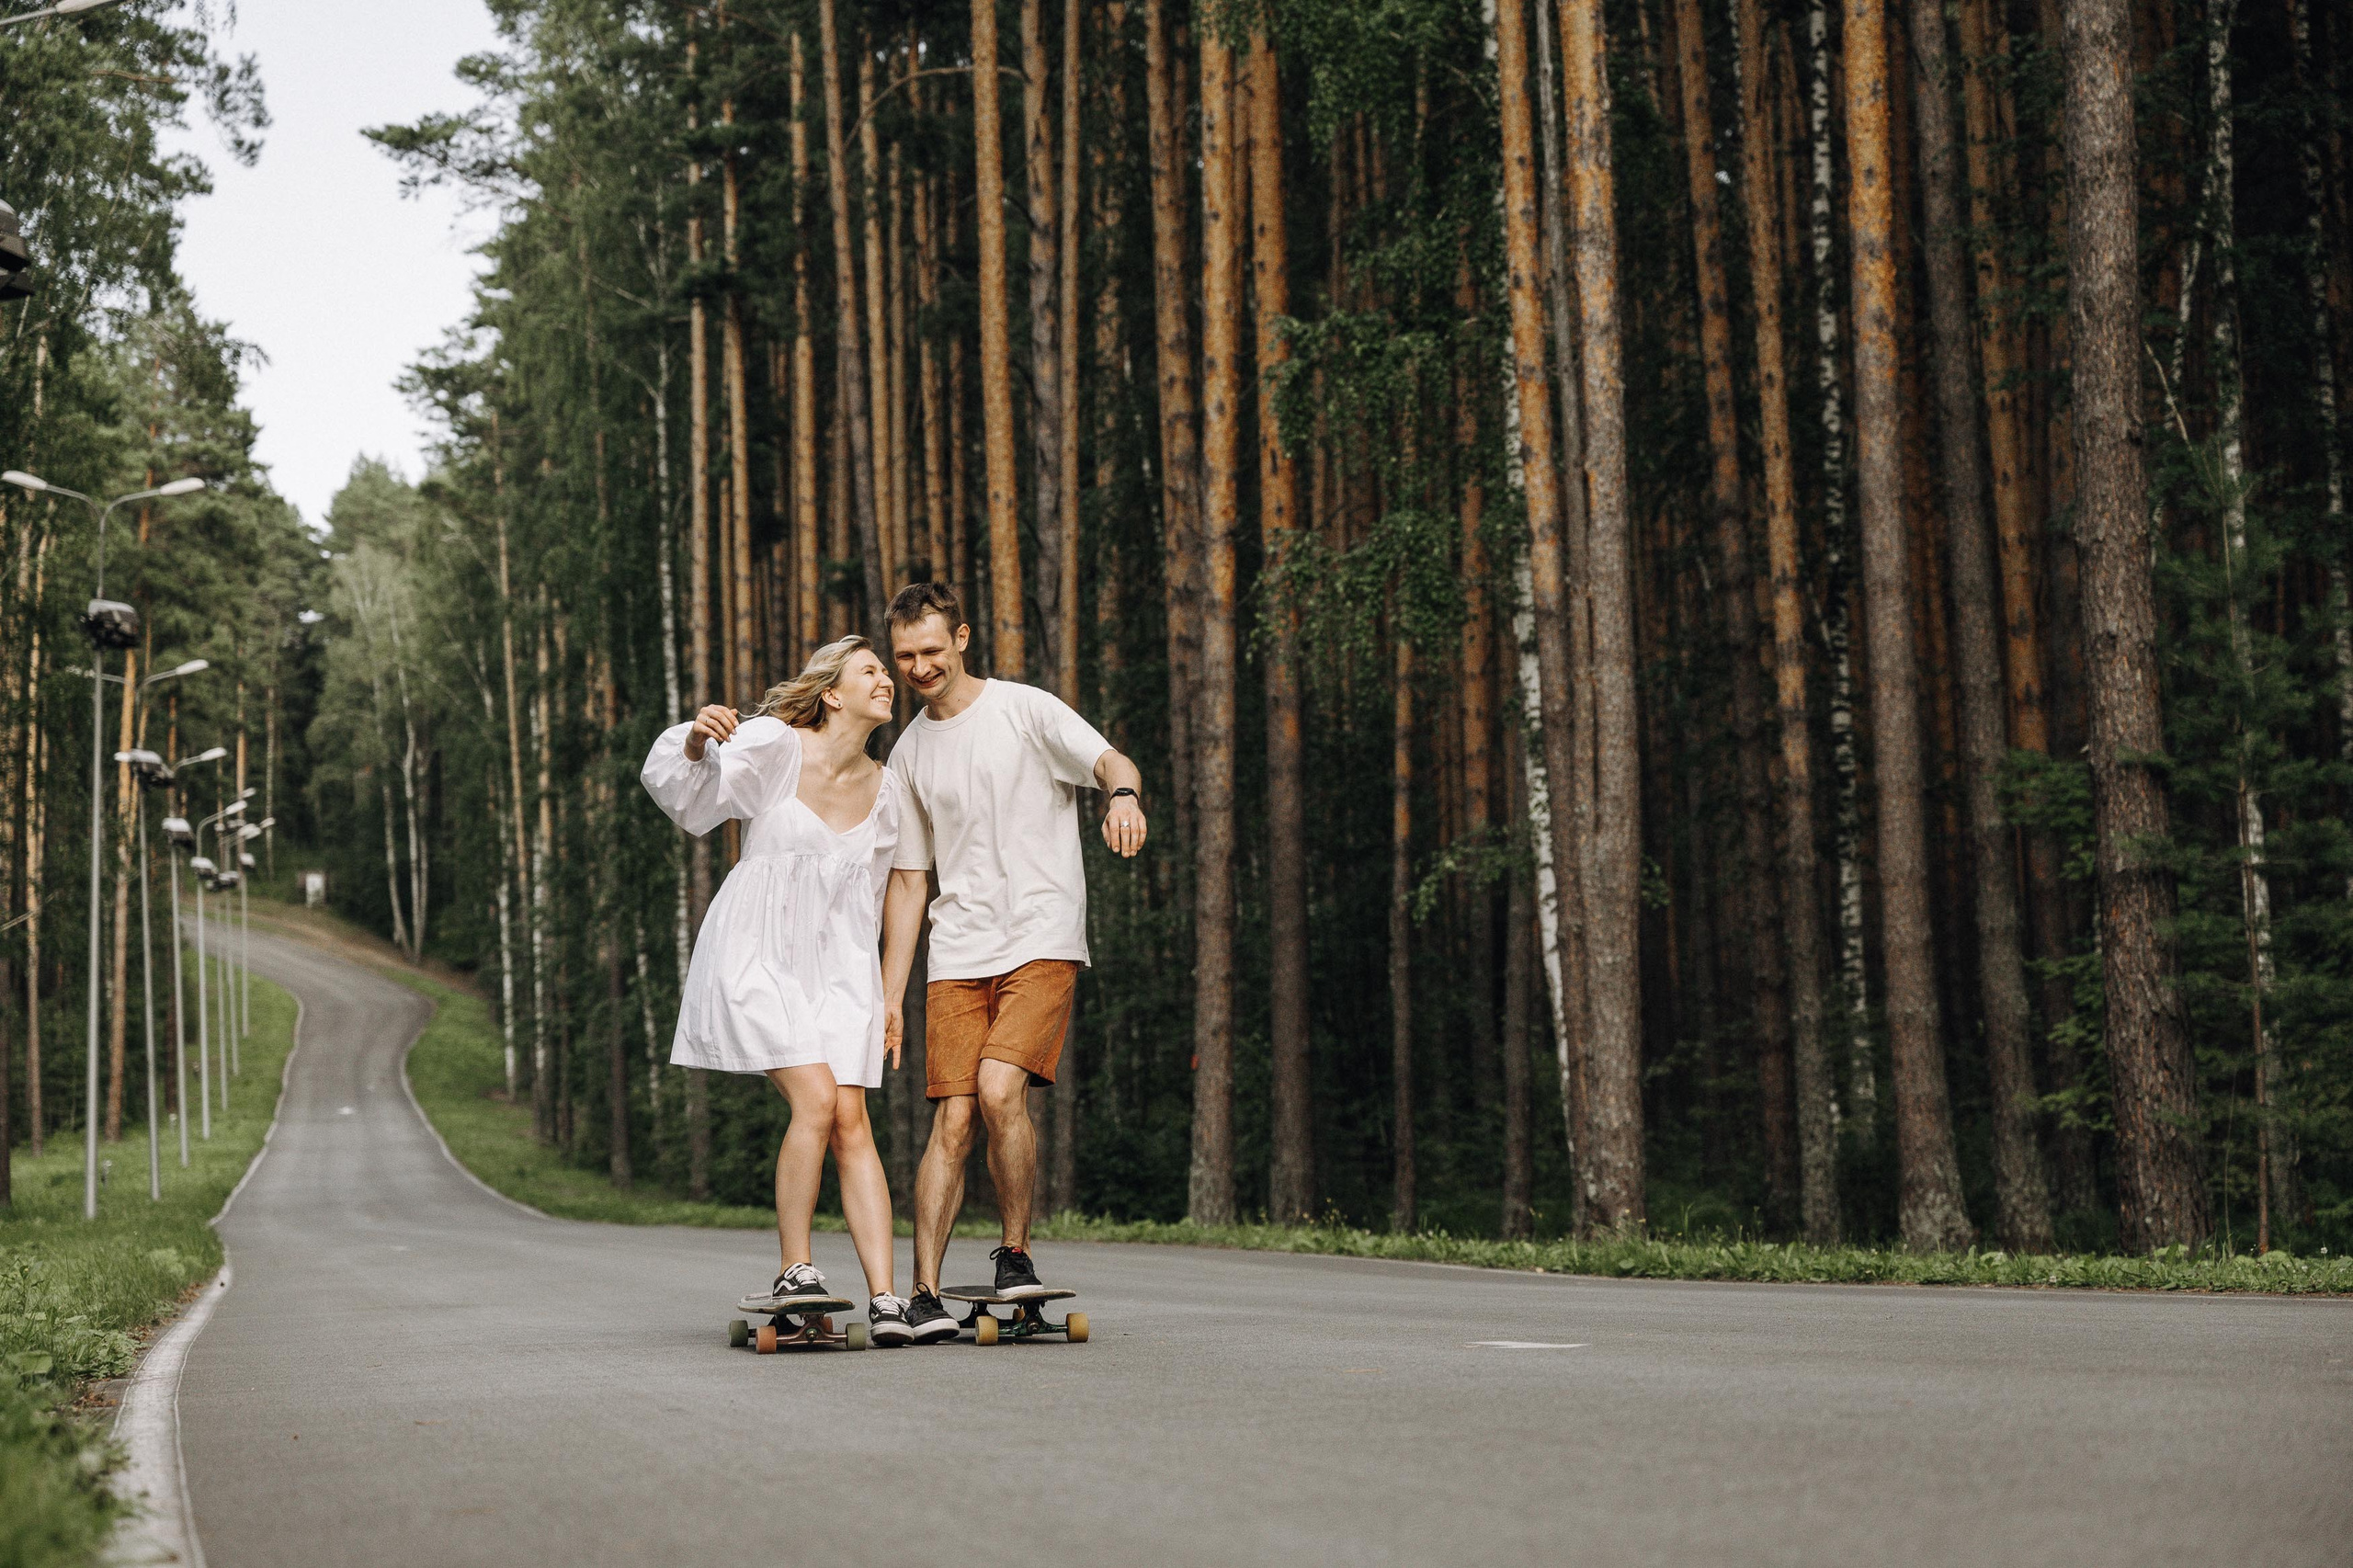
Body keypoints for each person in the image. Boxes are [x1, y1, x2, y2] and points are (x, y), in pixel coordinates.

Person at [880, 583, 1146, 1344]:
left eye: (932, 649)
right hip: (958, 948)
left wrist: (1122, 796)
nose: (921, 666)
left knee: (1000, 1090)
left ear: (961, 638)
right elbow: (908, 879)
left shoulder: (1025, 709)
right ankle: (923, 1295)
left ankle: (1014, 1253)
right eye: (905, 656)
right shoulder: (907, 753)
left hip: (1040, 934)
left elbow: (1108, 759)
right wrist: (891, 992)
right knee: (954, 1117)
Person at [642, 635, 917, 1346]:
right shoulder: (773, 745)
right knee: (818, 1101)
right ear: (832, 693)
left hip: (840, 966)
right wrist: (699, 741)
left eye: (887, 672)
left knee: (852, 1119)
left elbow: (896, 891)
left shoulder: (889, 787)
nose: (886, 679)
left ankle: (886, 1300)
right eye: (871, 670)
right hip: (757, 954)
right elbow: (690, 798)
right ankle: (796, 1269)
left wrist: (890, 996)